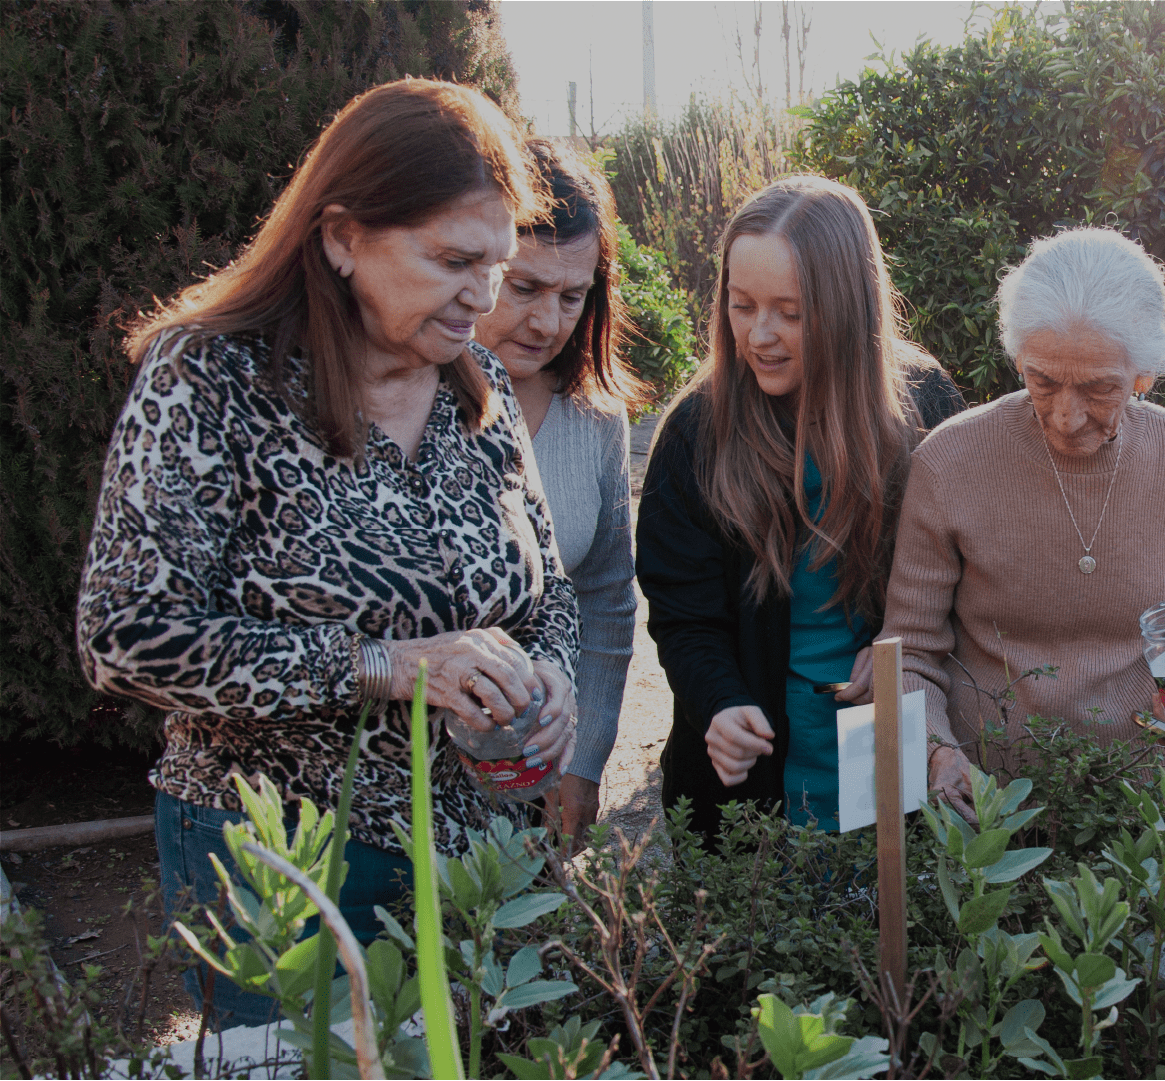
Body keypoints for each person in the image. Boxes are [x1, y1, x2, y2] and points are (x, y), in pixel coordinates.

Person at [77, 79, 580, 1027]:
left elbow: (546, 588)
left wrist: (552, 674)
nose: (485, 298)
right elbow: (124, 634)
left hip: (481, 857)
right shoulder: (211, 375)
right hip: (284, 858)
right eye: (453, 261)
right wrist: (381, 666)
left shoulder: (480, 389)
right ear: (343, 236)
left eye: (499, 266)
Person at [880, 227, 1165, 818]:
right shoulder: (950, 461)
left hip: (1148, 796)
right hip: (991, 809)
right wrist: (937, 754)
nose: (1066, 415)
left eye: (1100, 388)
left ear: (1144, 373)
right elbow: (908, 653)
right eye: (1043, 380)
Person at [638, 175, 965, 837]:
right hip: (749, 785)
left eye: (790, 311)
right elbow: (683, 615)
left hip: (890, 759)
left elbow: (963, 577)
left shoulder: (922, 405)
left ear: (848, 304)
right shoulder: (696, 432)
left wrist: (893, 651)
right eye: (741, 304)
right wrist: (720, 704)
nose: (759, 335)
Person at [476, 139, 649, 845]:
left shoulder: (595, 418)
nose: (547, 322)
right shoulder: (406, 399)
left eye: (571, 296)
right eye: (524, 287)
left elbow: (606, 600)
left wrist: (583, 763)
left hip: (542, 771)